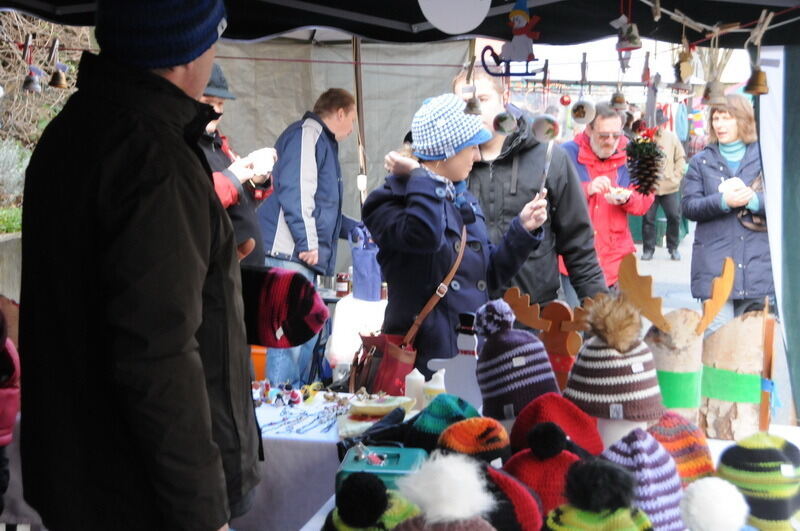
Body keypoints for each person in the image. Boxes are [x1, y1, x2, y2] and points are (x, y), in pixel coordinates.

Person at [20, 1, 259, 529]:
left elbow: (109, 290)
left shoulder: (74, 130)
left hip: (81, 475)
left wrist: (243, 289)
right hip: (139, 496)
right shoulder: (152, 157)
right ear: (185, 53)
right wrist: (203, 512)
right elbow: (157, 354)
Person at [364, 93, 549, 375]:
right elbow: (424, 235)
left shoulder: (461, 198)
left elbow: (488, 277)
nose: (476, 155)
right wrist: (422, 178)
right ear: (447, 150)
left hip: (471, 353)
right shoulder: (388, 201)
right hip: (422, 361)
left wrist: (522, 230)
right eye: (471, 147)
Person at [451, 67, 606, 305]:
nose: (474, 111)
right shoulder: (450, 162)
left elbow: (579, 245)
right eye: (465, 102)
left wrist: (604, 318)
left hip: (534, 315)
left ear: (505, 98)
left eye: (483, 99)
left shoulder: (548, 155)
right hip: (467, 314)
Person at [258, 88, 359, 385]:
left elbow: (323, 208)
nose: (352, 129)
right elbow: (296, 190)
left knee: (302, 340)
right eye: (351, 119)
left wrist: (356, 229)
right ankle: (278, 409)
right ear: (339, 113)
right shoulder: (308, 133)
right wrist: (308, 243)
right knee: (287, 340)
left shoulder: (322, 142)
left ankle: (295, 403)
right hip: (289, 254)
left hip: (302, 258)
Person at [681, 94, 774, 332]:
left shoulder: (767, 158)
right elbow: (689, 206)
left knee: (753, 350)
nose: (719, 125)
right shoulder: (701, 162)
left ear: (743, 120)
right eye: (716, 118)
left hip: (758, 268)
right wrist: (723, 201)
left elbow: (785, 205)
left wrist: (753, 201)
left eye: (727, 118)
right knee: (718, 348)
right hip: (714, 268)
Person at [562, 103, 655, 294]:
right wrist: (586, 189)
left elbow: (645, 201)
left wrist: (628, 198)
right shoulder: (566, 153)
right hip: (576, 257)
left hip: (617, 259)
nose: (610, 141)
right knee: (580, 321)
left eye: (616, 135)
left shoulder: (634, 153)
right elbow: (552, 199)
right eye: (603, 136)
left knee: (616, 323)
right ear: (588, 129)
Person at [199, 62, 276, 267]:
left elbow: (245, 198)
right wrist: (232, 179)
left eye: (221, 104)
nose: (217, 110)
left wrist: (258, 178)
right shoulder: (184, 146)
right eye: (208, 102)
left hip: (244, 271)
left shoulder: (219, 145)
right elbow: (195, 199)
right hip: (216, 272)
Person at [642, 109, 687, 261]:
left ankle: (673, 248)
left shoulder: (671, 138)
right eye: (656, 123)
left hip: (669, 187)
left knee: (674, 217)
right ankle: (648, 250)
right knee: (648, 219)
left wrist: (676, 175)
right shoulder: (644, 138)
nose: (658, 126)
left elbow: (681, 158)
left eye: (660, 123)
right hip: (651, 187)